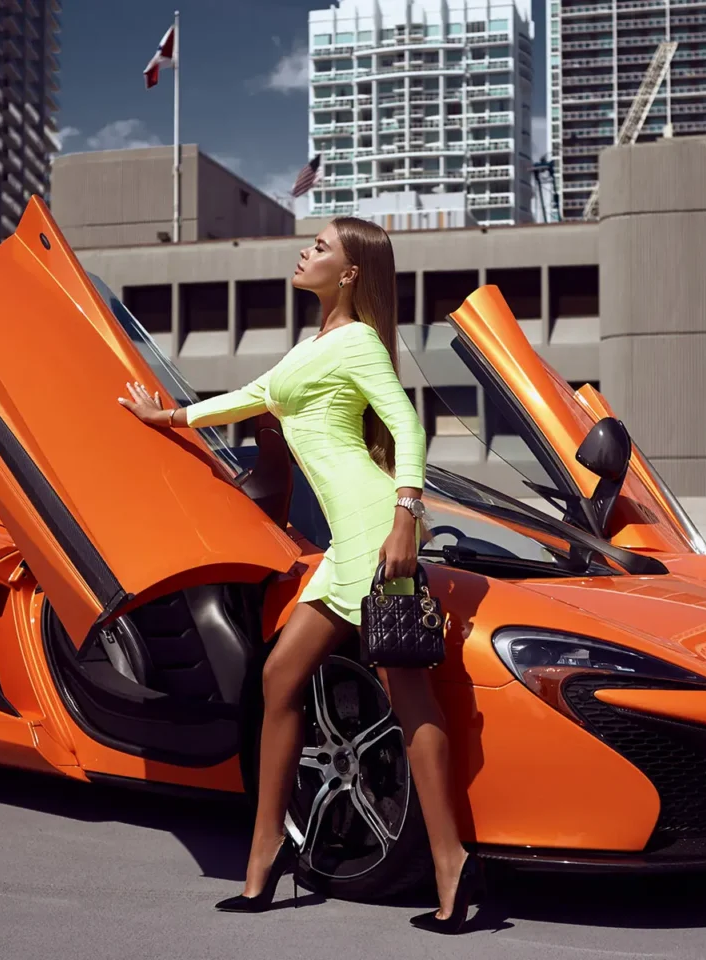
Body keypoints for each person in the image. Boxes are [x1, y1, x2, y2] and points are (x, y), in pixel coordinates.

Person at [118, 217, 482, 934]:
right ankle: (265, 858)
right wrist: (169, 417)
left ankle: (450, 862)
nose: (304, 252)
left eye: (319, 248)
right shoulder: (315, 345)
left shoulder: (358, 344)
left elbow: (407, 427)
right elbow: (252, 396)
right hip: (347, 543)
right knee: (281, 679)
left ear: (349, 273)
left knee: (409, 696)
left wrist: (407, 515)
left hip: (379, 530)